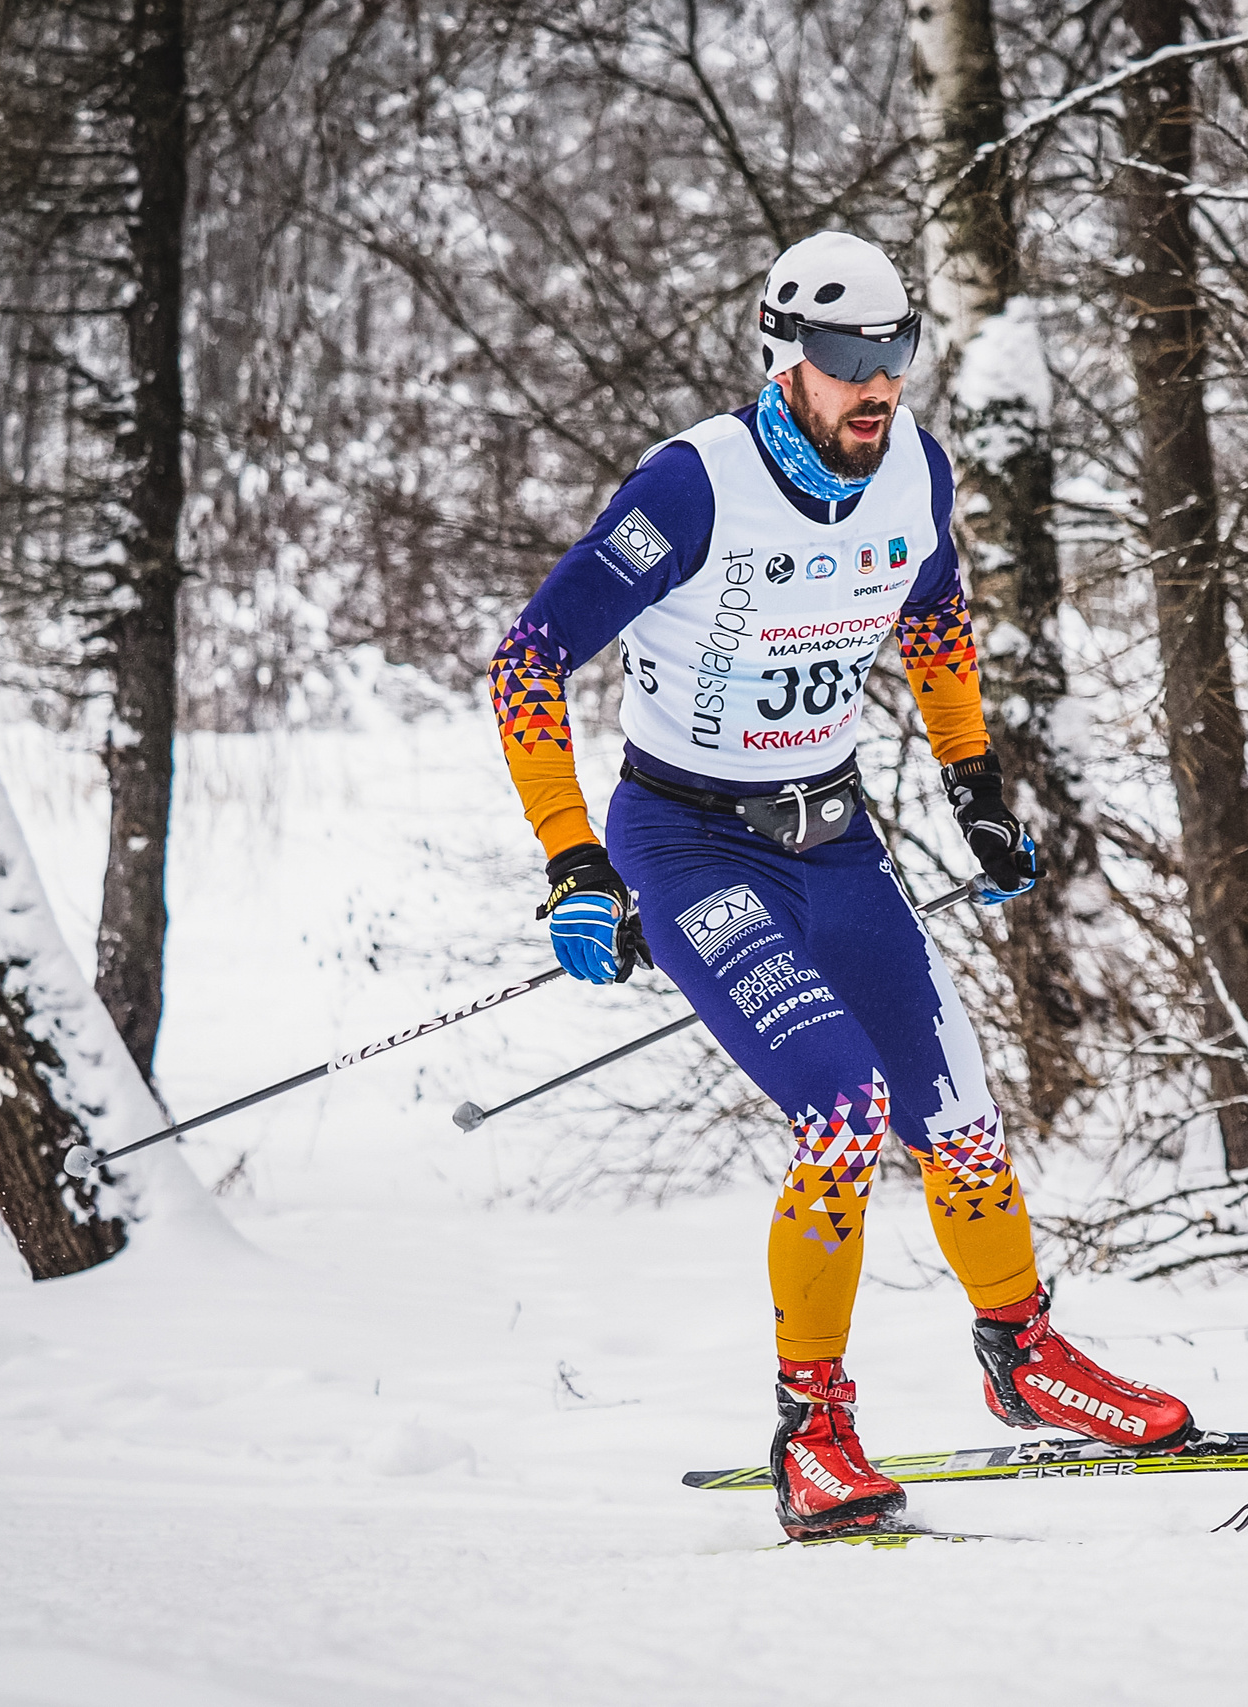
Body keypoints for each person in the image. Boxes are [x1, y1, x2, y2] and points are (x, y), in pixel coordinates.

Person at [487, 231, 1196, 1538]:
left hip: (837, 839)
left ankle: (1025, 1356)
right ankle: (809, 1427)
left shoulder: (916, 468)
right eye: (843, 354)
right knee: (844, 1111)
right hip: (690, 846)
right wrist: (574, 861)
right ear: (783, 354)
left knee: (960, 1118)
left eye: (895, 350)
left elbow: (934, 616)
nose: (877, 382)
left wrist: (976, 790)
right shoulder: (693, 487)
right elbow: (530, 657)